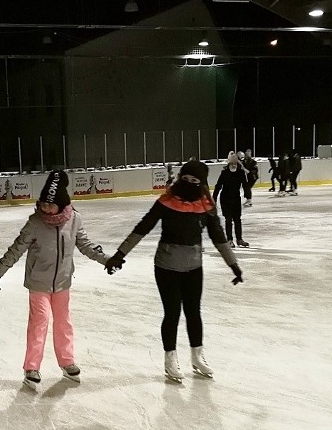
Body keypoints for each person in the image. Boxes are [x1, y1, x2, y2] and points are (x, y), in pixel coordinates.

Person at [104, 161, 243, 382]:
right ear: (180, 178)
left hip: (194, 267)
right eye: (185, 179)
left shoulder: (206, 206)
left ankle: (197, 356)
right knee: (172, 314)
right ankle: (170, 359)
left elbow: (218, 237)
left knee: (193, 312)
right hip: (166, 266)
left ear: (201, 183)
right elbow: (143, 227)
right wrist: (120, 254)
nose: (189, 184)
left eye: (194, 181)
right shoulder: (166, 201)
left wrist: (233, 265)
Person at [0, 170, 109, 388]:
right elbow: (16, 248)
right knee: (39, 322)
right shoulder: (35, 222)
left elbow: (85, 245)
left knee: (64, 323)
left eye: (50, 204)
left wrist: (106, 260)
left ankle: (67, 361)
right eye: (43, 203)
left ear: (61, 203)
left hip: (62, 282)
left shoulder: (74, 219)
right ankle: (32, 367)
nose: (45, 208)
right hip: (38, 283)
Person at [213, 152, 250, 248]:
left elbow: (245, 185)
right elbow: (218, 186)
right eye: (232, 163)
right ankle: (229, 240)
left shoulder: (240, 173)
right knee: (228, 219)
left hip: (236, 199)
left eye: (235, 163)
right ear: (229, 163)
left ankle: (239, 239)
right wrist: (214, 198)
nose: (234, 165)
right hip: (225, 199)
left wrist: (248, 196)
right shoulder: (224, 173)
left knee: (238, 219)